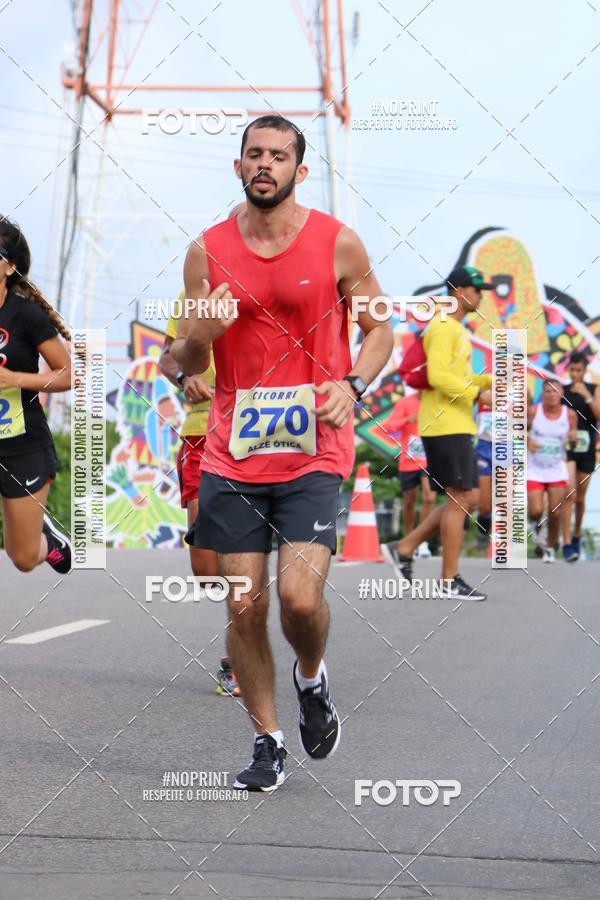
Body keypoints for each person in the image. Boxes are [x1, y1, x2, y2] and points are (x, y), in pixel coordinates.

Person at [172, 114, 393, 791]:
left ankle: (311, 677)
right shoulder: (206, 251)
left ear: (300, 170)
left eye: (278, 155)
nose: (265, 164)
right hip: (233, 456)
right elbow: (179, 357)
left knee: (299, 601)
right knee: (244, 607)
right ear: (239, 167)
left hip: (314, 450)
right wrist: (198, 344)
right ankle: (267, 741)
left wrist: (351, 384)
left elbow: (380, 330)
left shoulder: (337, 244)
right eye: (253, 154)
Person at [383, 266, 493, 600]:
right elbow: (440, 377)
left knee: (468, 498)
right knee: (461, 498)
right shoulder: (444, 327)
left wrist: (487, 382)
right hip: (445, 424)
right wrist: (477, 394)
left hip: (456, 424)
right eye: (476, 288)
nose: (481, 295)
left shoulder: (455, 328)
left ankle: (405, 547)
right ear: (458, 290)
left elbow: (453, 376)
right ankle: (449, 579)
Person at [159, 302, 240, 697]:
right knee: (207, 567)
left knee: (244, 553)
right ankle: (248, 614)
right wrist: (184, 377)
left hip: (257, 431)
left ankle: (238, 656)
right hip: (201, 432)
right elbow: (165, 356)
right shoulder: (190, 298)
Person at [0, 218, 72, 573]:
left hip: (21, 446)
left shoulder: (25, 316)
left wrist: (15, 378)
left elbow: (67, 373)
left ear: (10, 267)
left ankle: (49, 540)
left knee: (24, 558)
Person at [527, 378, 577, 563]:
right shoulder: (534, 411)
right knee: (536, 510)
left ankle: (549, 547)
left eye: (555, 391)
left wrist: (573, 438)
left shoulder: (570, 415)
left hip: (556, 468)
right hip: (535, 468)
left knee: (555, 513)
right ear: (542, 394)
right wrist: (527, 441)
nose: (551, 394)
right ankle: (535, 524)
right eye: (547, 391)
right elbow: (518, 431)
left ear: (561, 394)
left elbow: (573, 443)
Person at [384, 389, 435, 556]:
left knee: (429, 497)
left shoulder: (438, 401)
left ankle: (422, 542)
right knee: (409, 502)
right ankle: (409, 539)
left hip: (430, 458)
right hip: (409, 459)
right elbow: (389, 427)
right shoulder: (405, 402)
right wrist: (408, 420)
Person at [560, 352, 600, 561]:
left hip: (587, 449)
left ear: (585, 370)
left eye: (579, 370)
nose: (575, 374)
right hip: (567, 449)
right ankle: (566, 543)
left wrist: (587, 395)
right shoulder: (562, 391)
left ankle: (576, 534)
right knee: (569, 494)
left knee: (580, 498)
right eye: (572, 370)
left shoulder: (594, 390)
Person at [474, 396, 493, 544]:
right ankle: (485, 516)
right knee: (485, 506)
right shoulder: (483, 395)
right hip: (483, 449)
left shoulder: (519, 394)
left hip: (507, 449)